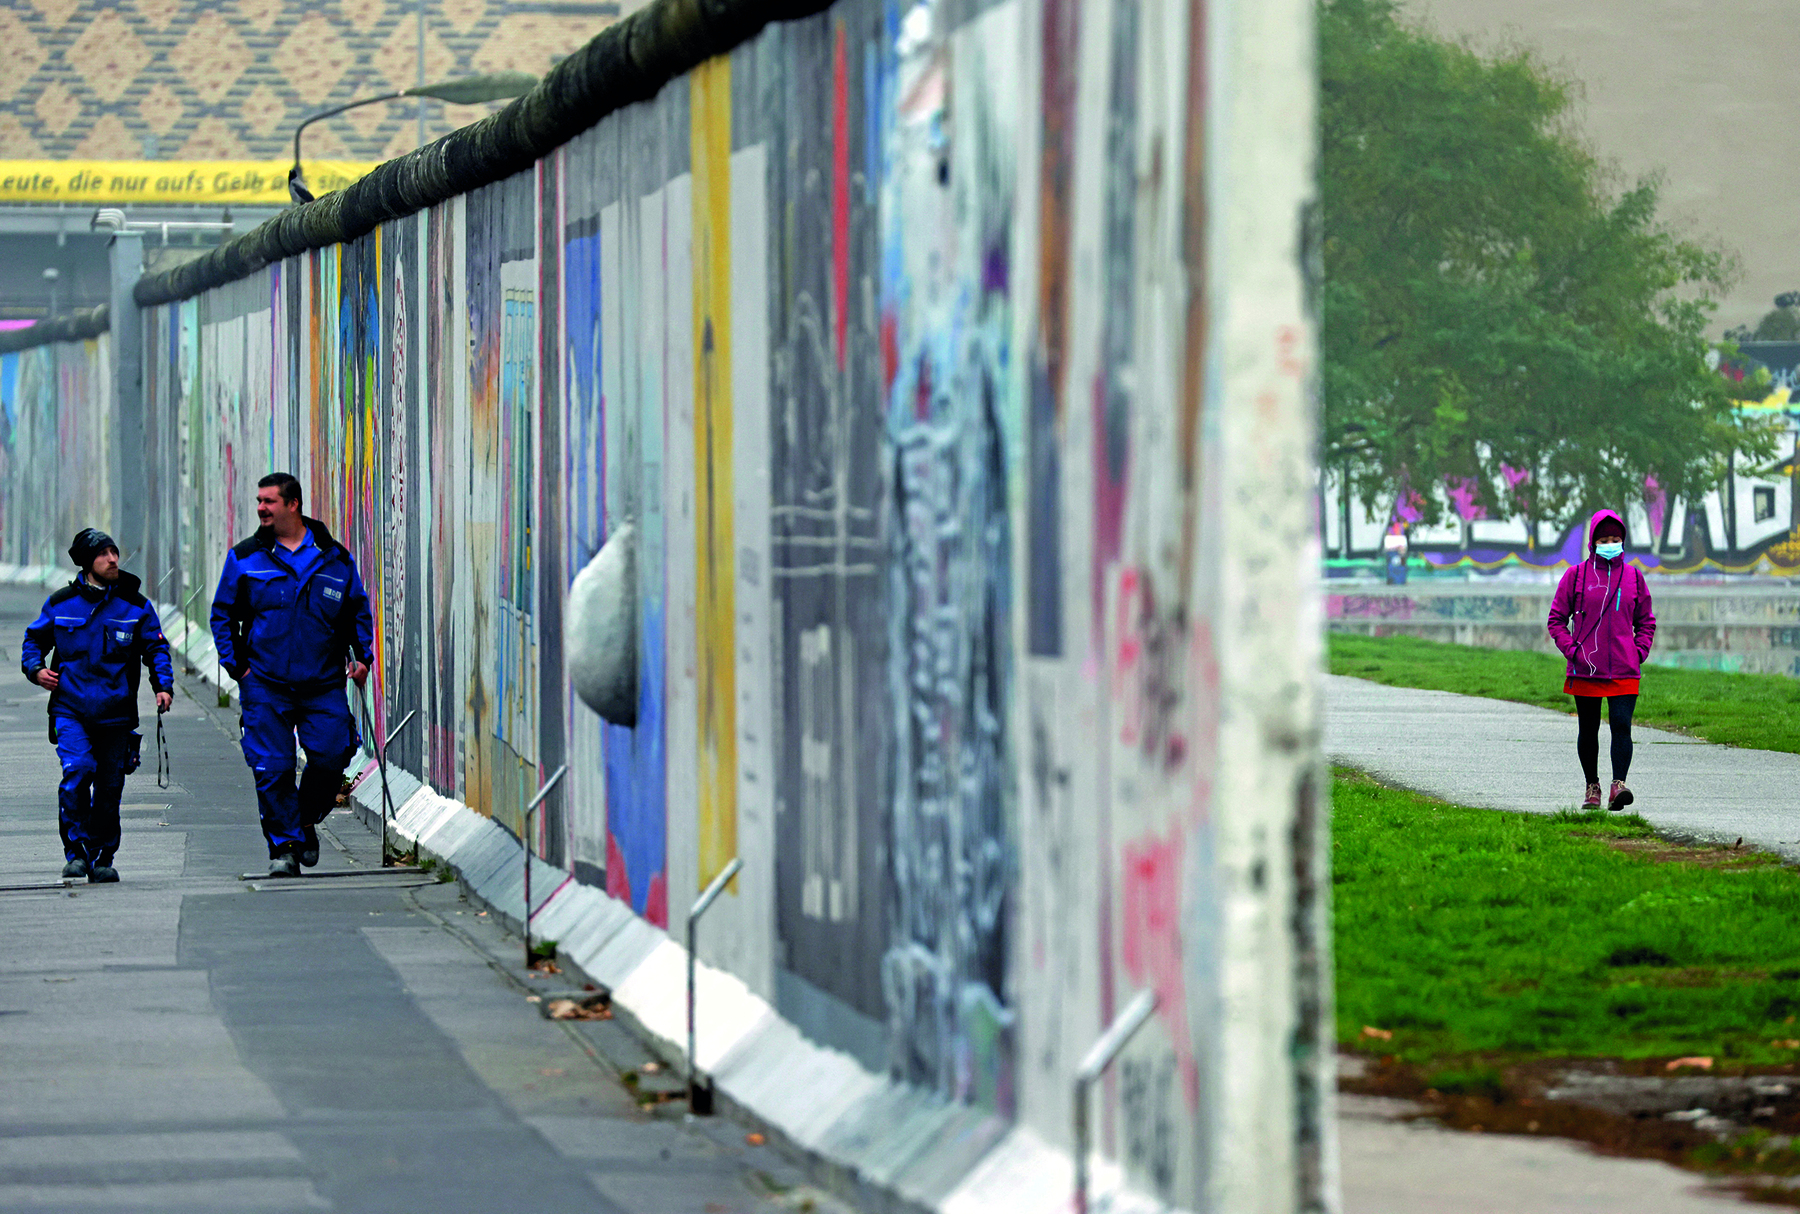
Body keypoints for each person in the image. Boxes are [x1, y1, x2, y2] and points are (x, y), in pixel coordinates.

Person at [211, 473, 373, 877]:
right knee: (272, 767)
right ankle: (283, 848)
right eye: (259, 501)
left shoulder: (334, 557)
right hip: (265, 684)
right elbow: (223, 616)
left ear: (293, 504)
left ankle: (303, 819)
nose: (262, 508)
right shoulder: (245, 557)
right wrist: (240, 670)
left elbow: (356, 611)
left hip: (323, 683)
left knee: (334, 752)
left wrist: (363, 657)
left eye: (269, 501)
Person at [20, 529, 173, 882]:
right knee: (76, 772)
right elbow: (34, 640)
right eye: (104, 554)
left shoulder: (135, 606)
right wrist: (36, 670)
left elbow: (156, 649)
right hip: (70, 709)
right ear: (88, 563)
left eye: (115, 552)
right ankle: (76, 854)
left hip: (116, 714)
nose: (113, 559)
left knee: (109, 788)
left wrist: (163, 687)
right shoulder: (60, 603)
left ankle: (103, 857)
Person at [1546, 509, 1656, 811]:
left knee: (1622, 724)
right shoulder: (1576, 576)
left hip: (1624, 668)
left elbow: (1646, 621)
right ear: (1593, 542)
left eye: (1616, 539)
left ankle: (1618, 785)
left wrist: (1639, 651)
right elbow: (1556, 619)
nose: (1611, 543)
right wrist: (1572, 651)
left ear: (1623, 541)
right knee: (1589, 727)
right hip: (1586, 669)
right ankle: (1591, 786)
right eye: (1604, 539)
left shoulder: (1634, 577)